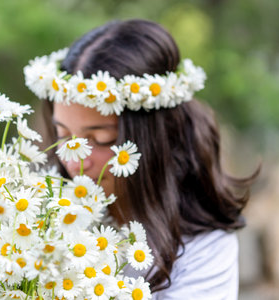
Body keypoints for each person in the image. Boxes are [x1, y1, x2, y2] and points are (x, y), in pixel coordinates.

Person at [24, 19, 259, 299]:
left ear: (152, 139)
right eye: (63, 135)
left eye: (100, 140)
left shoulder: (201, 247)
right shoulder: (42, 210)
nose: (74, 158)